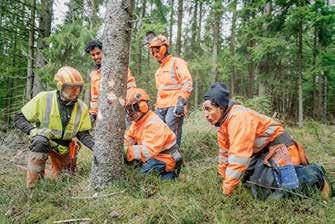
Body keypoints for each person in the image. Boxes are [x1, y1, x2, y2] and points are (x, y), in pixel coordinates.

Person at [202, 82, 332, 200]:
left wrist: (226, 192)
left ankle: (316, 175)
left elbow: (238, 158)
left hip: (283, 150)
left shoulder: (239, 117)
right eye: (204, 110)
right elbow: (224, 155)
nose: (205, 115)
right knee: (251, 184)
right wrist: (222, 179)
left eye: (208, 109)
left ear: (221, 107)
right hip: (264, 154)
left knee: (276, 192)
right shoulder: (222, 124)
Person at [14, 66, 94, 188]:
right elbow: (19, 117)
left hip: (64, 147)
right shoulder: (44, 98)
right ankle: (34, 187)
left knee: (65, 179)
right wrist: (32, 131)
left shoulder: (82, 107)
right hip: (45, 140)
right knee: (39, 140)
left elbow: (83, 134)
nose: (74, 93)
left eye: (77, 89)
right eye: (69, 89)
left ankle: (56, 172)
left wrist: (96, 147)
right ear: (60, 86)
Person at [124, 87, 183, 179]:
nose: (129, 113)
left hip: (165, 157)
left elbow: (148, 151)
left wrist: (127, 151)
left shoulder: (153, 123)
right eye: (127, 110)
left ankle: (169, 176)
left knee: (140, 177)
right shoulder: (137, 123)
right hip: (155, 156)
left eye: (130, 109)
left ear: (142, 106)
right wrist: (119, 146)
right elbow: (129, 139)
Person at [148, 35, 193, 147]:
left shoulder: (176, 62)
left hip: (175, 103)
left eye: (157, 50)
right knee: (159, 132)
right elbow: (160, 91)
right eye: (153, 52)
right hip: (161, 106)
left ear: (164, 48)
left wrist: (181, 101)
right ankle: (163, 159)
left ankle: (175, 159)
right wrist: (157, 107)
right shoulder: (158, 71)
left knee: (172, 131)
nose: (155, 54)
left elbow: (187, 82)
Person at [85, 39, 136, 122]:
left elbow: (131, 86)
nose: (96, 57)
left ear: (104, 52)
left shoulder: (118, 67)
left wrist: (130, 104)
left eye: (98, 53)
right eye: (93, 55)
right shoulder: (94, 75)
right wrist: (93, 113)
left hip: (123, 110)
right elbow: (94, 97)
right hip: (105, 113)